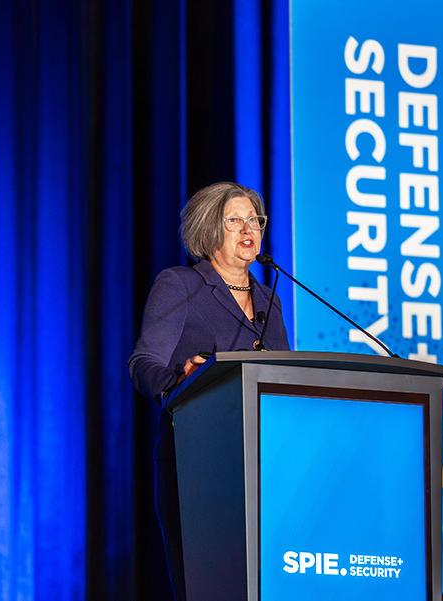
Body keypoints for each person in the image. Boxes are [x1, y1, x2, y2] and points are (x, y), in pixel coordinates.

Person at [129, 182, 290, 601]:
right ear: (207, 228)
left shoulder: (270, 300)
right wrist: (180, 381)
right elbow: (143, 364)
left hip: (266, 466)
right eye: (234, 220)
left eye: (254, 219)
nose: (248, 229)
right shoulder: (181, 285)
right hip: (197, 460)